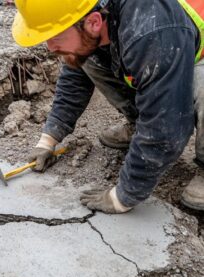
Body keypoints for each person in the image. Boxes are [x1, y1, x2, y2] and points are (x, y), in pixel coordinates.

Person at [11, 0, 204, 213]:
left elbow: (167, 124)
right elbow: (74, 75)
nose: (50, 47)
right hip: (163, 47)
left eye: (55, 37)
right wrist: (48, 140)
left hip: (190, 51)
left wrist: (123, 196)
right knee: (85, 57)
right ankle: (138, 125)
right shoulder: (93, 13)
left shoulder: (150, 32)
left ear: (93, 22)